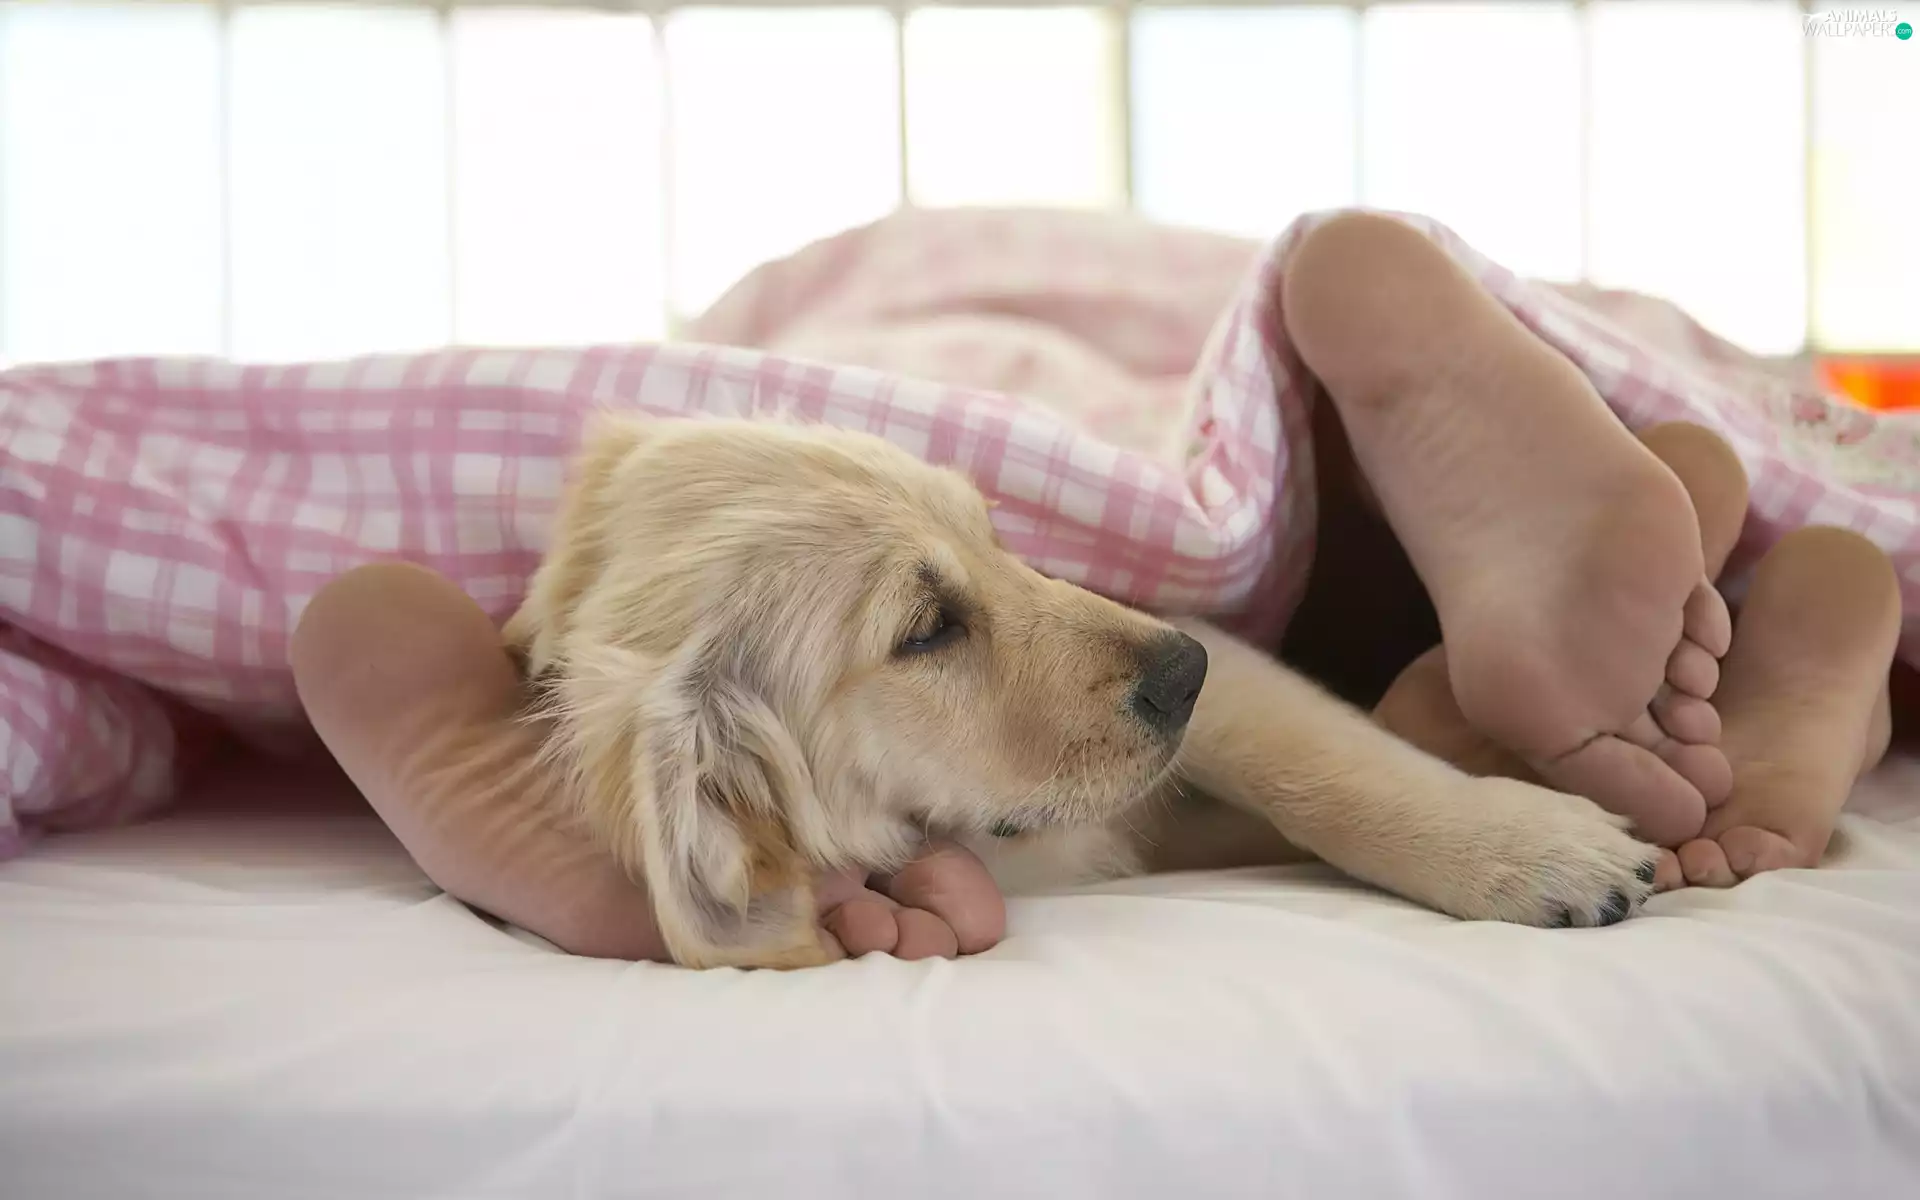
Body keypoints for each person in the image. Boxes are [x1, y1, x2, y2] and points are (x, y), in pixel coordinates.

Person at [292, 211, 1903, 962]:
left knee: (1221, 600)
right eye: (933, 624)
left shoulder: (712, 467)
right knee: (1318, 679)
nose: (1129, 648)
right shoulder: (707, 682)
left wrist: (1431, 838)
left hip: (1038, 361)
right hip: (688, 728)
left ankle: (1517, 546)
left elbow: (1183, 642)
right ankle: (1733, 684)